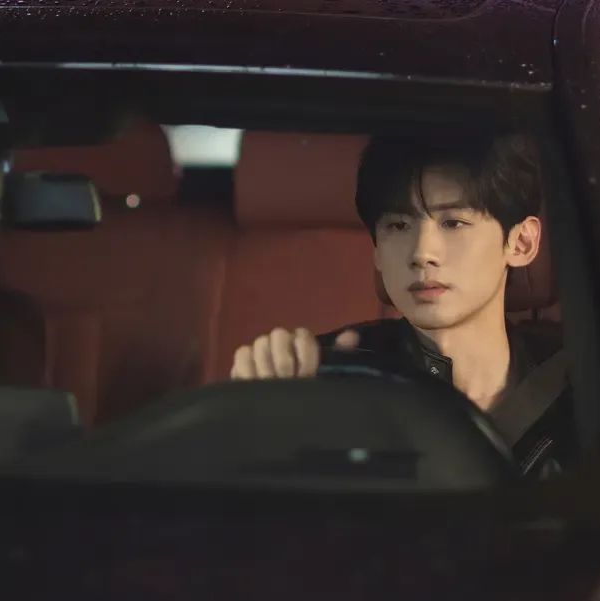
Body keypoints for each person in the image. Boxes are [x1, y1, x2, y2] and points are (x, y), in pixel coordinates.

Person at [229, 134, 576, 478]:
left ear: (521, 242)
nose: (422, 253)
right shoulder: (325, 377)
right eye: (398, 225)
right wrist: (260, 423)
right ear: (377, 252)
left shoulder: (583, 385)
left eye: (453, 223)